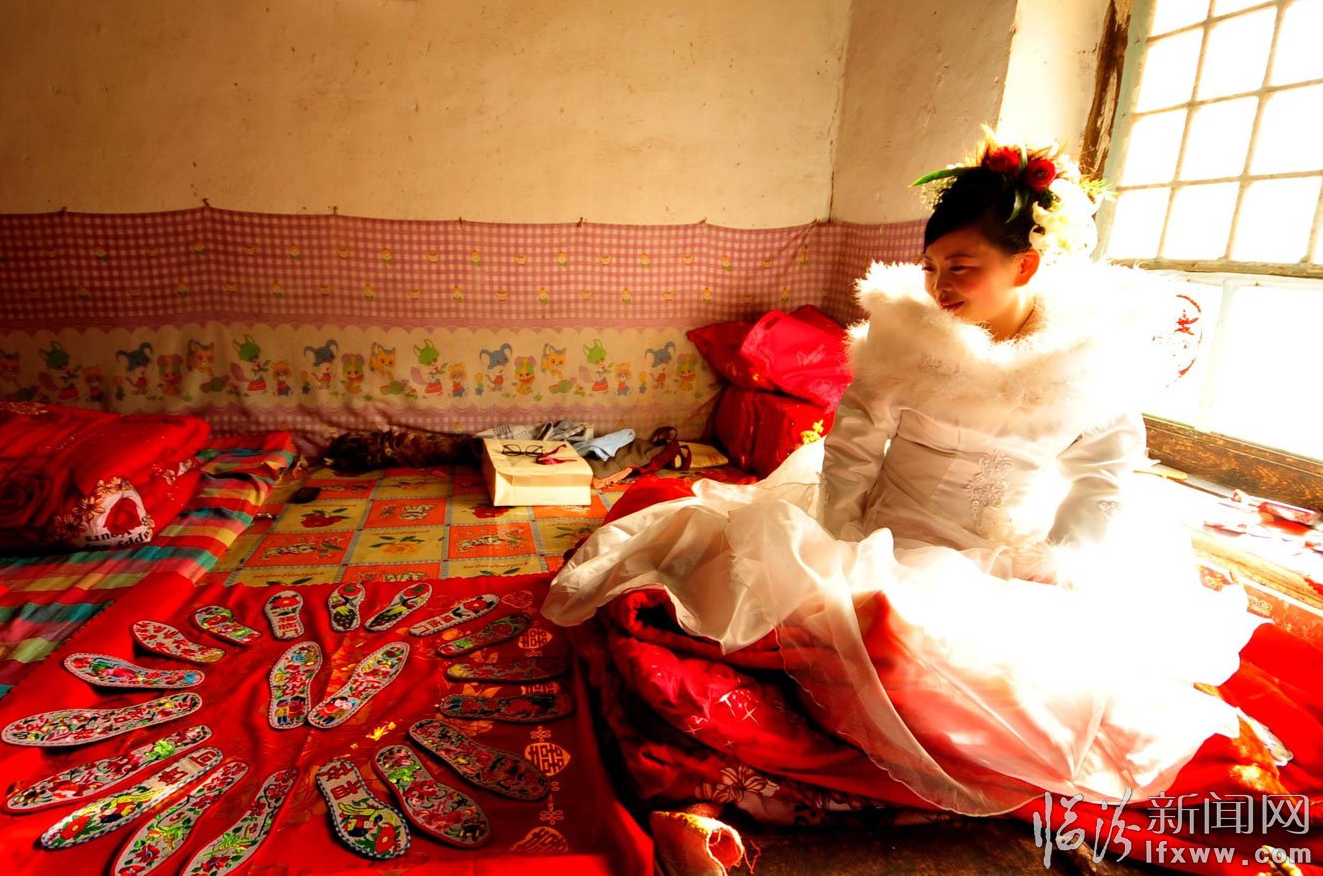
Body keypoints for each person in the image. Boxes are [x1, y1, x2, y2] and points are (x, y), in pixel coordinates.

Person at [541, 133, 1263, 817]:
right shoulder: (904, 338)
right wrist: (839, 541)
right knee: (878, 641)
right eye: (931, 267)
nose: (940, 286)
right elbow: (852, 450)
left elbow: (1100, 481)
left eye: (961, 268)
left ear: (1025, 266)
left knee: (1055, 683)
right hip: (887, 528)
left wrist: (1055, 565)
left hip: (1002, 547)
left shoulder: (1087, 361)